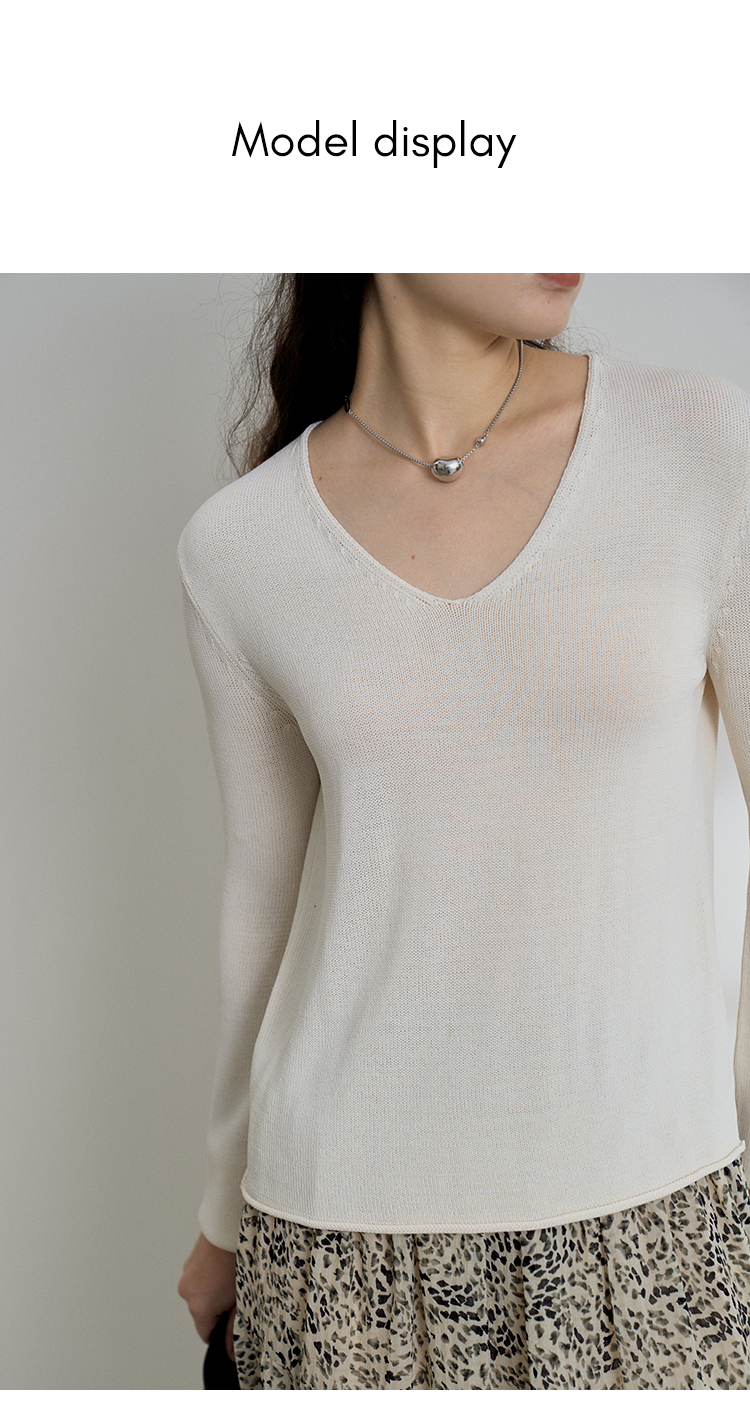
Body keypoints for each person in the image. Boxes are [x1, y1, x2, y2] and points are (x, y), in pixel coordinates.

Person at [177, 274, 750, 1390]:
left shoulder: (699, 444)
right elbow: (264, 901)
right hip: (338, 1248)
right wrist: (220, 1215)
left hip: (661, 1221)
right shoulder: (240, 545)